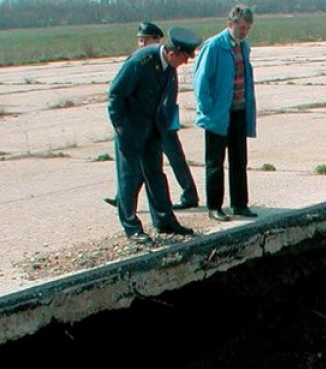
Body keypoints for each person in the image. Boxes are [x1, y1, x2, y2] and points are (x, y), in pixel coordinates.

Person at [108, 27, 202, 243]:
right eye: (184, 58)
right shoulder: (141, 61)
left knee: (156, 175)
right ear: (172, 53)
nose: (186, 63)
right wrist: (120, 125)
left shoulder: (168, 66)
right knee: (129, 178)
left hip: (152, 128)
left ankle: (164, 220)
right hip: (131, 129)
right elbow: (115, 93)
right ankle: (132, 227)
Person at [193, 5, 258, 222]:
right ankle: (215, 206)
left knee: (239, 160)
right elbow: (201, 82)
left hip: (239, 111)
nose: (244, 31)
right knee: (215, 162)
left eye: (247, 28)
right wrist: (210, 110)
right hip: (218, 115)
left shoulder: (243, 47)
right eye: (241, 27)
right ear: (229, 24)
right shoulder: (214, 47)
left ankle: (240, 204)